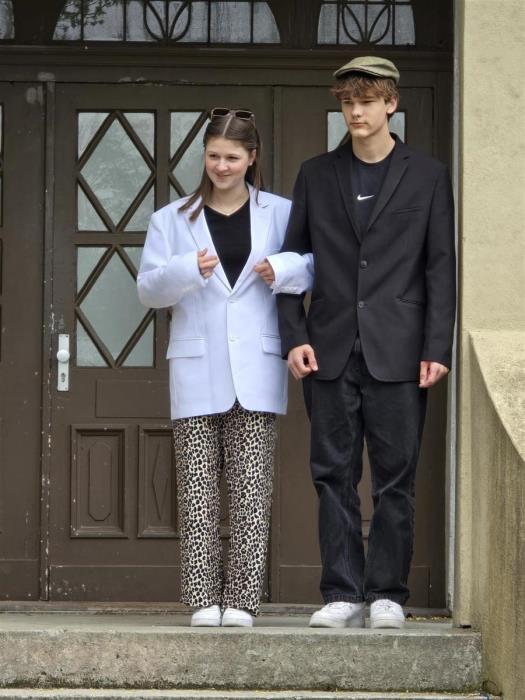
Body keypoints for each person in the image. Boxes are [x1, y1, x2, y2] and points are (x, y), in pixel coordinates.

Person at [276, 57, 456, 629]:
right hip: (328, 349)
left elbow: (440, 266)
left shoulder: (427, 175)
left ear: (391, 104)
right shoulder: (316, 174)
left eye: (367, 101)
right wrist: (294, 336)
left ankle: (387, 594)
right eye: (348, 102)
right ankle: (342, 592)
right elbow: (292, 263)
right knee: (333, 475)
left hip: (400, 351)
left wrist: (438, 347)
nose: (356, 112)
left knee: (395, 478)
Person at [137, 108, 312, 628]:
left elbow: (315, 264)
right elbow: (147, 289)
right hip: (196, 365)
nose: (221, 166)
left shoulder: (281, 213)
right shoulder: (171, 219)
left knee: (251, 492)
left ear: (252, 158)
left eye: (232, 157)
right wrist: (186, 268)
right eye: (213, 156)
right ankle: (201, 600)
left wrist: (282, 267)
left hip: (257, 366)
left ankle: (241, 602)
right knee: (197, 492)